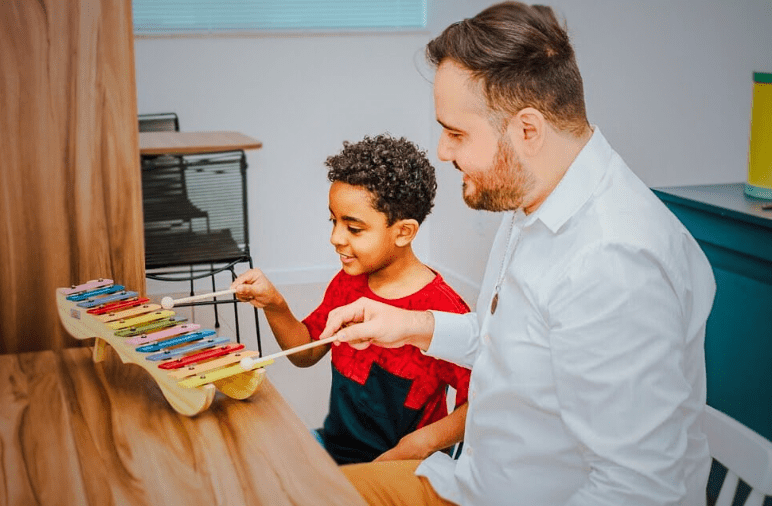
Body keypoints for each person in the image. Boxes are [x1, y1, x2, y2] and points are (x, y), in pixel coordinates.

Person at [319, 3, 716, 505]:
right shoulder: (535, 197)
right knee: (297, 490)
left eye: (457, 133)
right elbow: (511, 345)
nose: (442, 151)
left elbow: (638, 490)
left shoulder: (614, 262)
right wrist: (409, 324)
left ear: (527, 130)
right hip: (471, 485)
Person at [232, 133, 471, 465]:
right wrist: (275, 305)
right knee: (255, 463)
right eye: (334, 221)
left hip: (402, 465)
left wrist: (420, 446)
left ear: (403, 232)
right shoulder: (348, 282)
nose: (335, 238)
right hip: (339, 448)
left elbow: (483, 402)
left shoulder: (445, 314)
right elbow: (306, 351)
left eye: (354, 229)